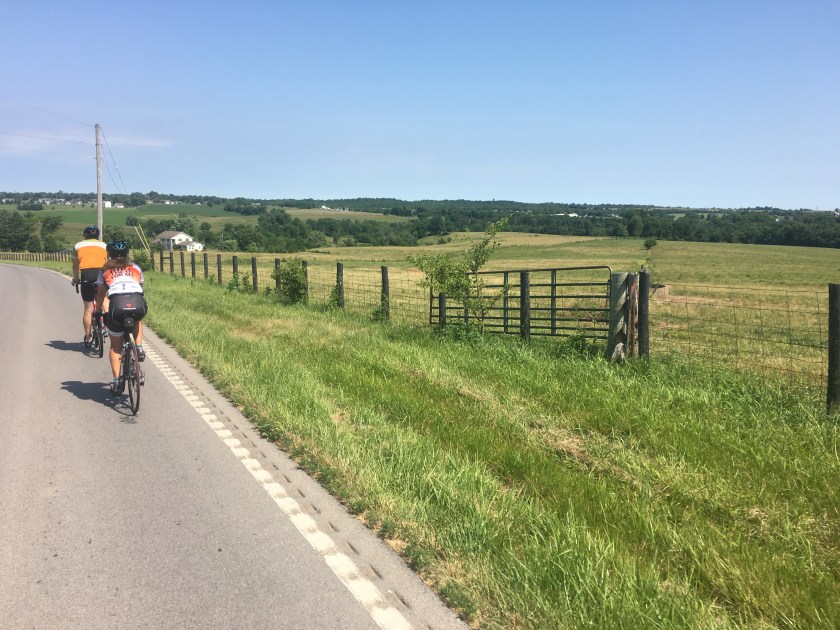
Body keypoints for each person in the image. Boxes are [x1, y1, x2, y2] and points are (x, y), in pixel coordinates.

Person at [93, 241, 148, 395]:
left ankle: (117, 382)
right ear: (126, 254)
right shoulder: (136, 268)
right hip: (137, 302)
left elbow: (100, 294)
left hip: (116, 306)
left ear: (109, 254)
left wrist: (98, 311)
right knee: (137, 318)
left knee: (115, 346)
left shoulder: (104, 270)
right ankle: (139, 348)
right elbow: (140, 289)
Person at [71, 225, 107, 347]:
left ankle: (88, 337)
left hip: (86, 275)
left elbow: (75, 266)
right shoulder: (104, 245)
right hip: (101, 274)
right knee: (104, 301)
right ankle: (107, 326)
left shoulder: (77, 246)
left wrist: (76, 279)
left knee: (88, 309)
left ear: (85, 235)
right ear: (97, 236)